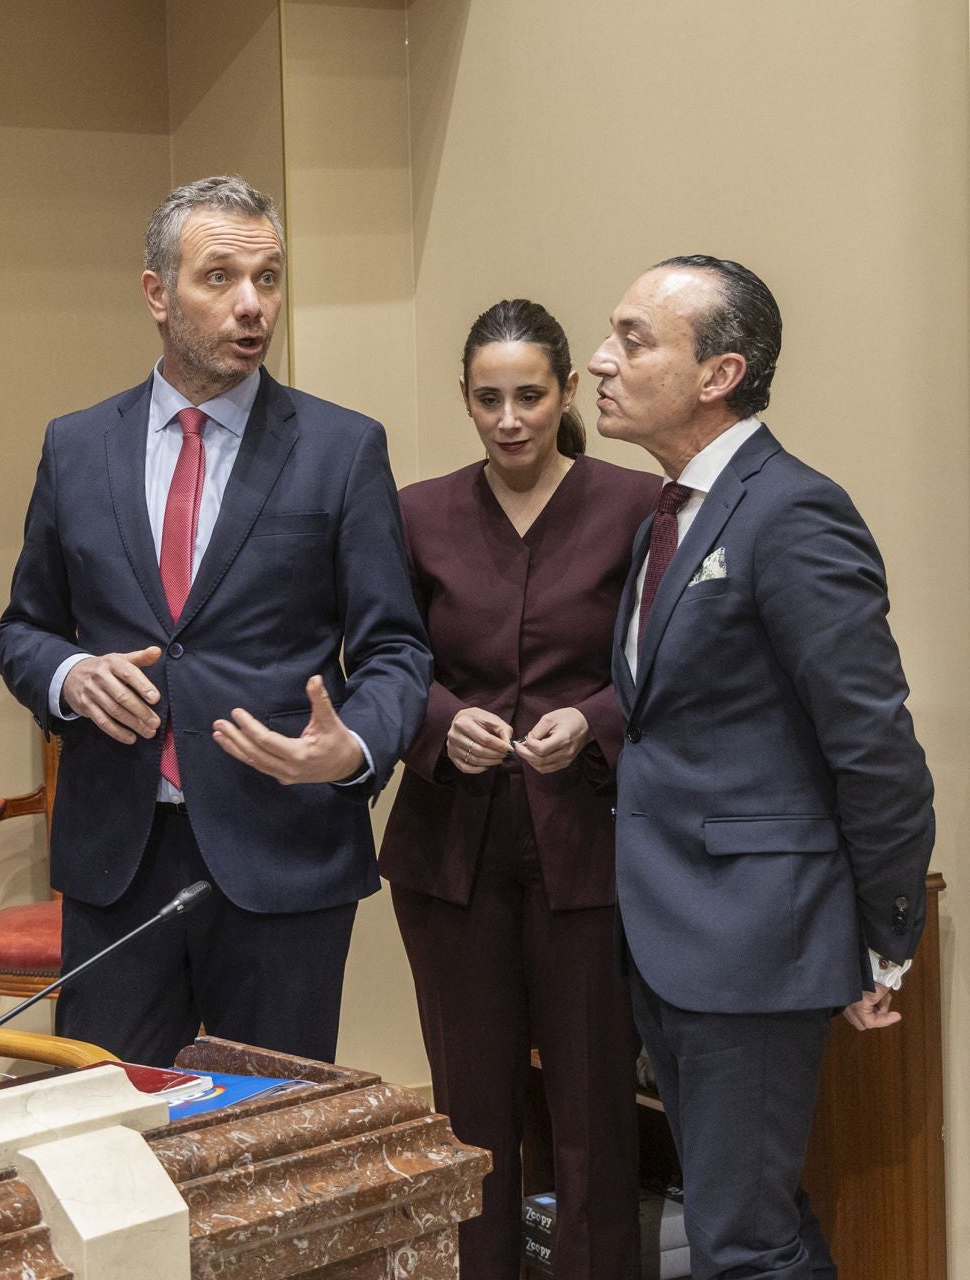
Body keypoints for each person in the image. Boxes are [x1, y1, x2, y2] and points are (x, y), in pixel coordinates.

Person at [0, 176, 431, 1067]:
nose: (251, 304)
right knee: (114, 1141)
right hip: (119, 856)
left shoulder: (343, 448)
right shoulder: (75, 446)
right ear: (157, 293)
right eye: (221, 277)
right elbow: (24, 629)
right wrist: (68, 678)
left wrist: (353, 749)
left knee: (270, 1152)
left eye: (268, 279)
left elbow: (395, 646)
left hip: (284, 851)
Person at [593, 255, 933, 1277]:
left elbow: (874, 745)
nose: (601, 360)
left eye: (635, 338)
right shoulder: (669, 512)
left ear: (719, 373)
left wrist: (885, 937)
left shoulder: (793, 513)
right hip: (673, 933)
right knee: (750, 1223)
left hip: (754, 939)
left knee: (742, 1241)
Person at [381, 300, 659, 1279]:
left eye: (530, 396)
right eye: (489, 398)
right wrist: (437, 717)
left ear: (567, 392)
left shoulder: (635, 504)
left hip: (591, 845)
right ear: (465, 398)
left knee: (593, 1117)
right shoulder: (414, 512)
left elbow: (663, 663)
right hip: (448, 853)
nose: (510, 418)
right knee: (473, 1117)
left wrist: (594, 718)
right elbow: (383, 660)